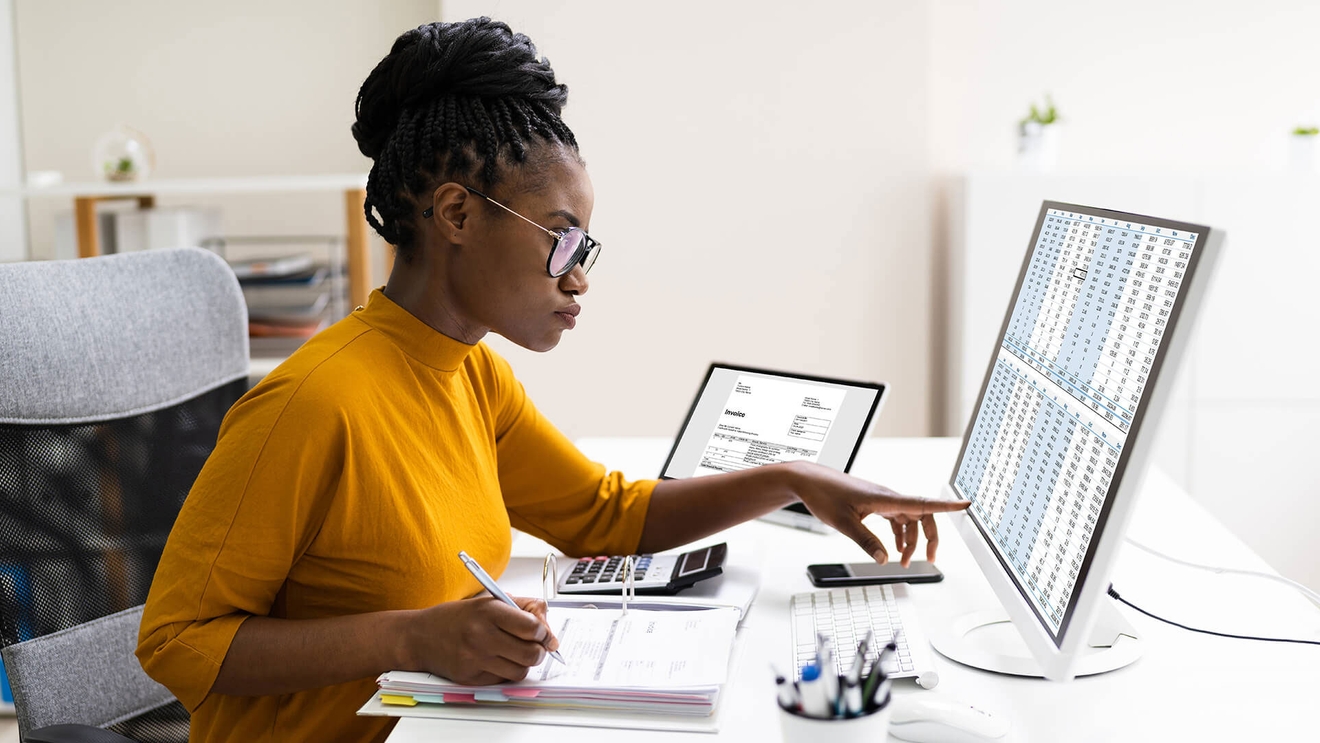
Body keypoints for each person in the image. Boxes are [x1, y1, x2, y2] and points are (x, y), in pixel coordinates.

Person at [136, 17, 968, 743]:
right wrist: (411, 638)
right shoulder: (311, 406)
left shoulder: (474, 377)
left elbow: (609, 517)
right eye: (563, 241)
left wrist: (794, 480)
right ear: (457, 215)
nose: (579, 278)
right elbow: (175, 642)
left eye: (586, 250)